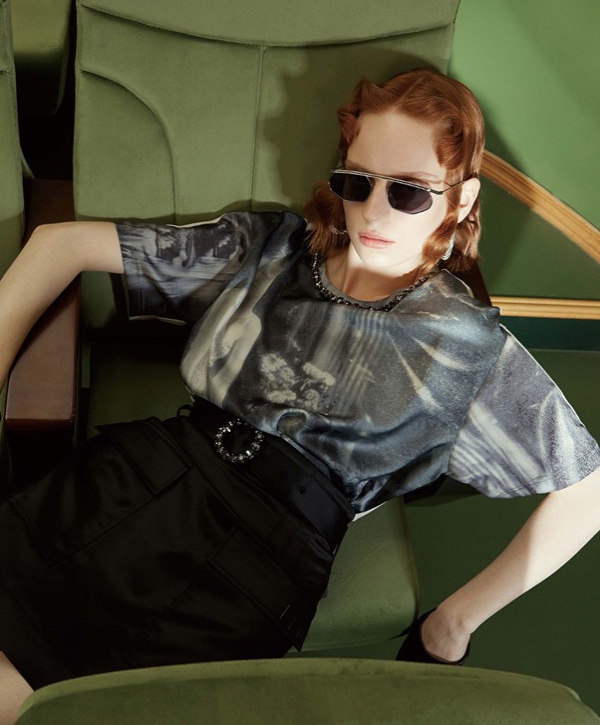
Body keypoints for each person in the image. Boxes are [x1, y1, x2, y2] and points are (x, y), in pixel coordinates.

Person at [0, 68, 599, 721]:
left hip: (253, 565)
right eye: (358, 181)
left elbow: (588, 491)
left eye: (408, 192)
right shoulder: (269, 250)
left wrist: (452, 623)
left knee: (69, 710)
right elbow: (59, 244)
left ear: (460, 199)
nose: (373, 211)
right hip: (130, 482)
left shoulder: (461, 343)